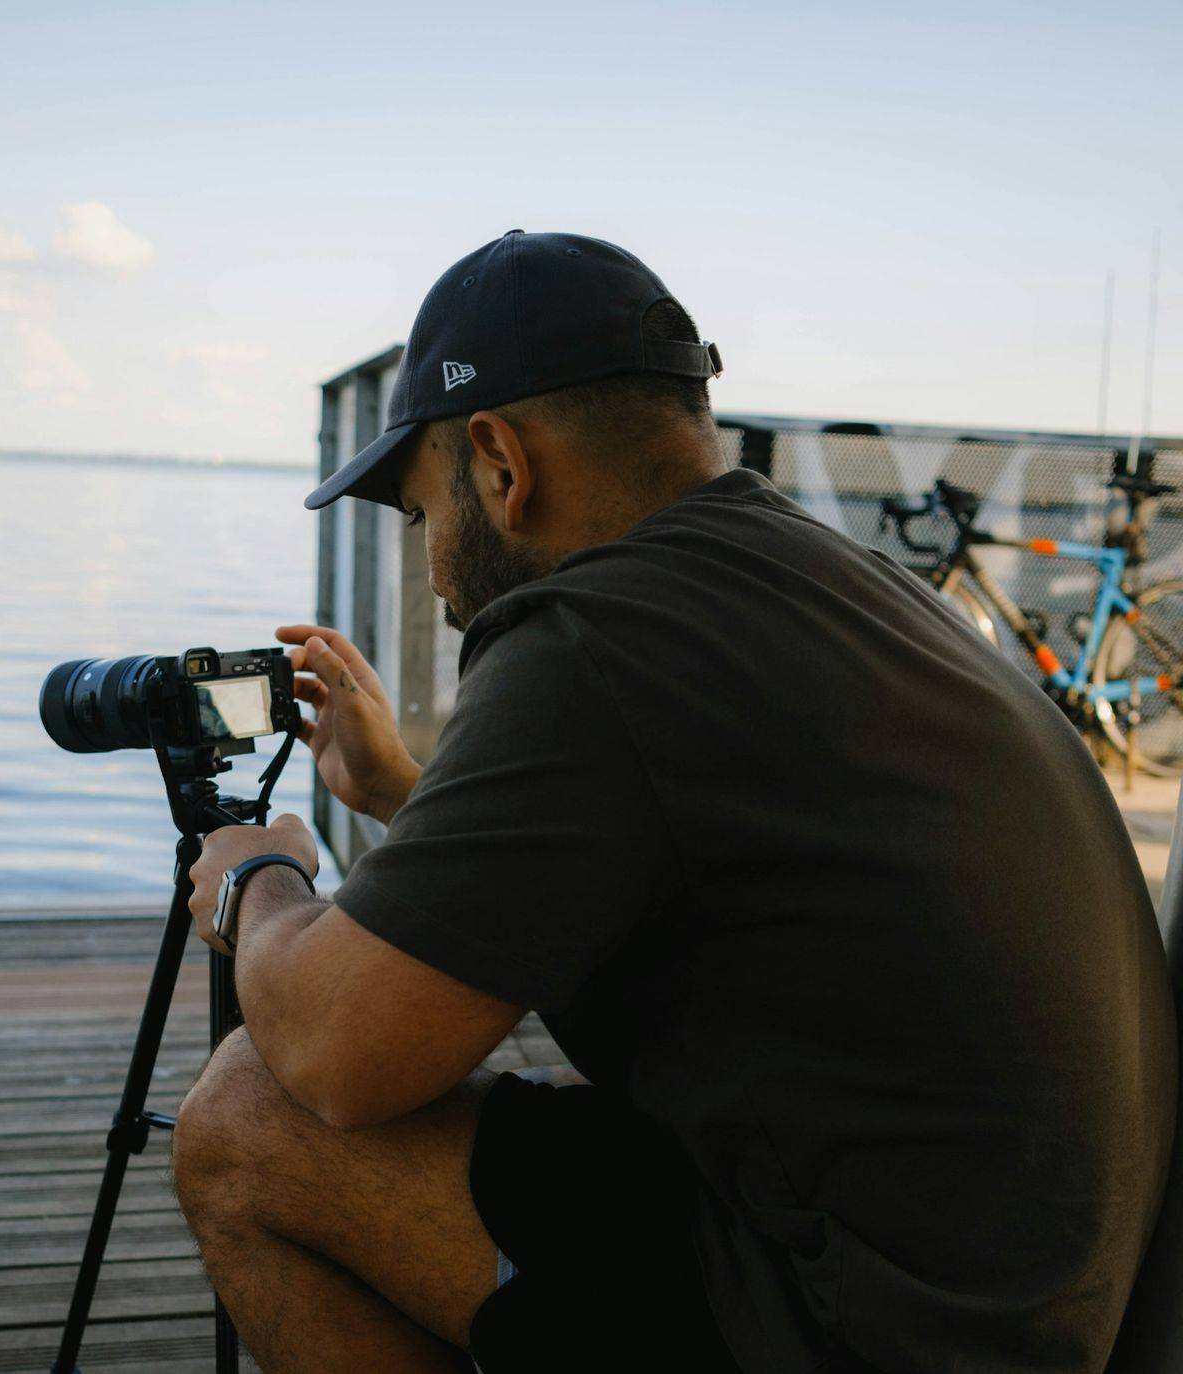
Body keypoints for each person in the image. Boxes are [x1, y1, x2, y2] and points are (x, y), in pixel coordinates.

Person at [173, 230, 1177, 1374]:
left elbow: (337, 1055)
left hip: (882, 1330)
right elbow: (670, 853)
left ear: (498, 461)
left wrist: (261, 877)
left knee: (247, 1123)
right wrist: (405, 793)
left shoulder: (600, 635)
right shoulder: (819, 581)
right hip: (1022, 1294)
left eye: (419, 514)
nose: (435, 561)